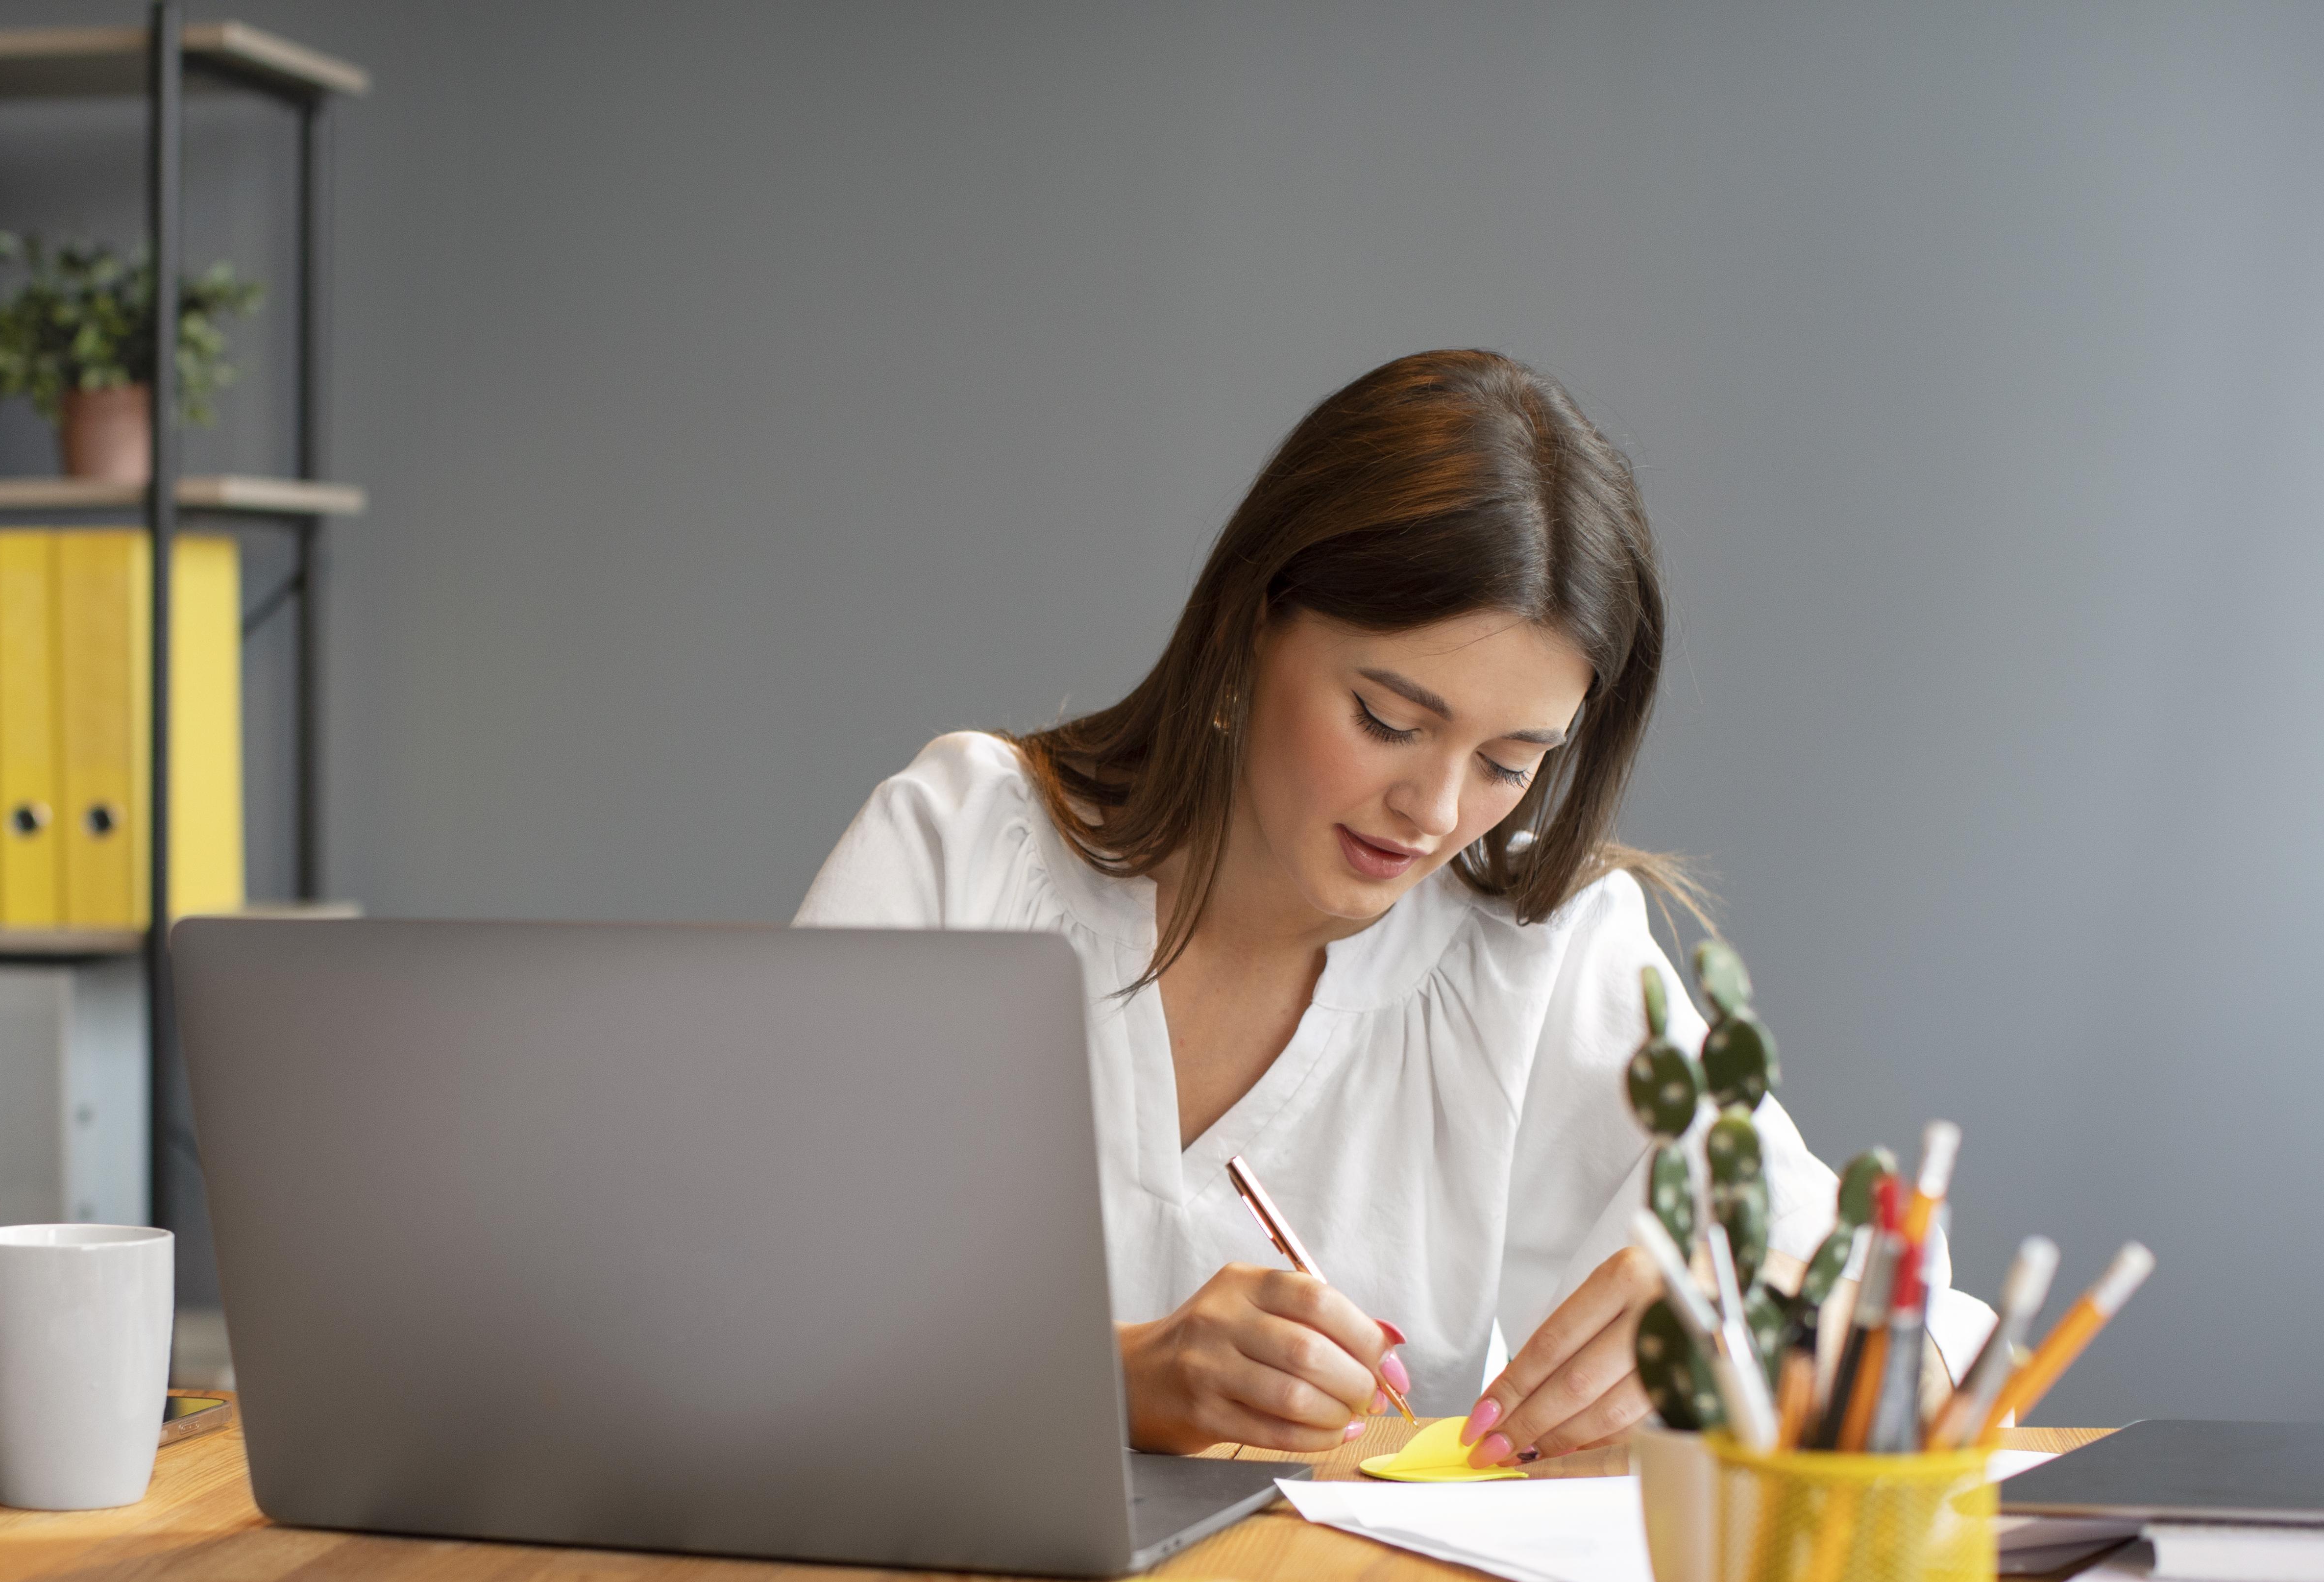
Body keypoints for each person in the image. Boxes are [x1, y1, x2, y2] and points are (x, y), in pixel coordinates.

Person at [797, 349, 1938, 1462]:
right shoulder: (966, 844)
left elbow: (1918, 1345)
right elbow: (740, 1315)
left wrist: (1773, 1323)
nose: (1434, 809)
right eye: (1390, 720)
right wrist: (1119, 1376)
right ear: (1252, 623)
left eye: (1510, 759)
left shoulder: (1545, 956)